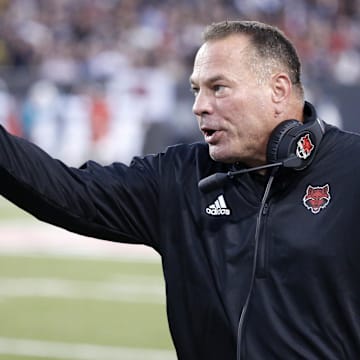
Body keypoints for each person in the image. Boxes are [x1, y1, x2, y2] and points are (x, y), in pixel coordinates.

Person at [0, 20, 359, 359]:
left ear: (278, 90)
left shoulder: (352, 168)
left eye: (218, 88)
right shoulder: (180, 176)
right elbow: (66, 190)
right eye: (196, 90)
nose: (199, 106)